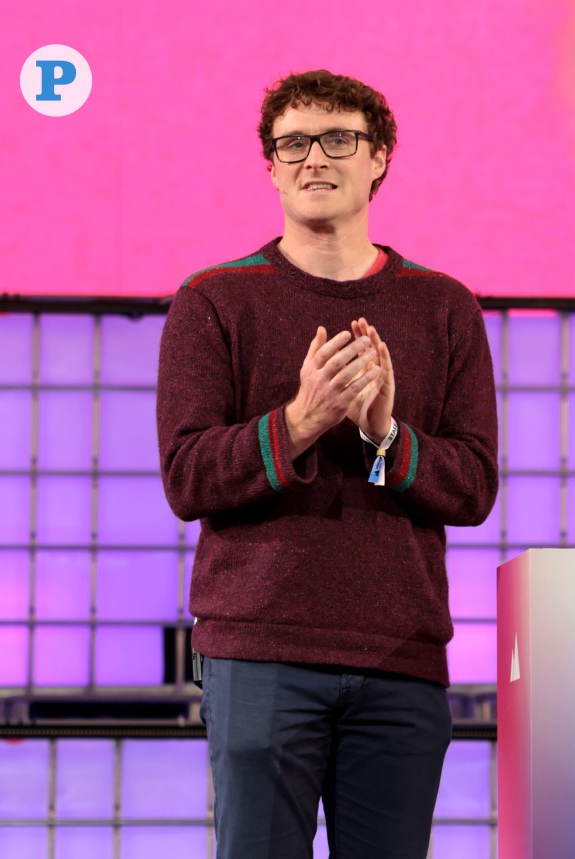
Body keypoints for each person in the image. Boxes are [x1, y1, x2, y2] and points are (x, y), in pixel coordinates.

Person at [156, 69, 499, 859]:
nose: (315, 157)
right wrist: (301, 421)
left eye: (339, 138)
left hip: (401, 654)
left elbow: (473, 483)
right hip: (259, 651)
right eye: (293, 143)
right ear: (271, 166)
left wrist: (385, 434)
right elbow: (187, 475)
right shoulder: (213, 299)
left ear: (378, 158)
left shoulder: (443, 305)